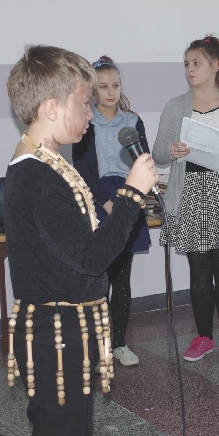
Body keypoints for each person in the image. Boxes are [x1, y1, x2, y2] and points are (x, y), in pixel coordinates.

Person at [3, 45, 158, 436]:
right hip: (56, 331)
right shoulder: (36, 176)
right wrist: (131, 194)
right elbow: (91, 258)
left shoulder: (47, 163)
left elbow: (77, 247)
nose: (90, 113)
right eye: (83, 103)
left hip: (67, 325)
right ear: (52, 108)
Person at [151, 35, 219, 364]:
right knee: (198, 269)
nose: (190, 69)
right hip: (190, 191)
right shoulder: (175, 107)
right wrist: (171, 150)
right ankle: (203, 337)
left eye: (196, 63)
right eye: (186, 64)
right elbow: (158, 153)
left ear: (215, 65)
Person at [72, 55, 151, 367]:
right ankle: (97, 347)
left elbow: (142, 161)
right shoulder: (86, 123)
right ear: (93, 90)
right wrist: (105, 201)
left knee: (121, 276)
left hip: (128, 194)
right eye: (103, 86)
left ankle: (119, 344)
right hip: (97, 198)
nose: (110, 92)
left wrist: (132, 196)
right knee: (98, 278)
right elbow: (83, 170)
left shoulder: (132, 122)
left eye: (115, 85)